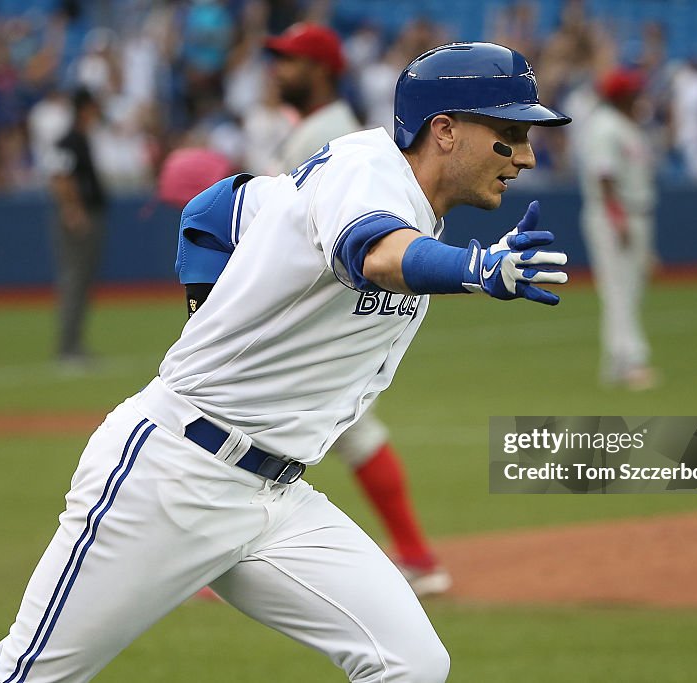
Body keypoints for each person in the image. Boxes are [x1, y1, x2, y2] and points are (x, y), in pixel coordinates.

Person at [0, 41, 569, 683]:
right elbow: (376, 252)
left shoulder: (404, 199)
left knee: (411, 663)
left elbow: (213, 209)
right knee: (25, 676)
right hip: (174, 477)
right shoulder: (369, 169)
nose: (526, 155)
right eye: (508, 133)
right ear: (444, 130)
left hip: (276, 498)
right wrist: (477, 268)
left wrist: (214, 303)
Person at [262, 21, 449, 593]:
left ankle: (419, 557)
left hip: (324, 311)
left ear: (321, 70)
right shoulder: (320, 131)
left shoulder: (333, 137)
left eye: (290, 61)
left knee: (260, 428)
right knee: (343, 431)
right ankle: (417, 555)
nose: (278, 71)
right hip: (322, 310)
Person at [576, 67, 658, 390]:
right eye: (634, 92)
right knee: (618, 290)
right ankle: (628, 361)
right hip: (614, 214)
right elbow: (604, 176)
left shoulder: (627, 126)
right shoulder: (604, 126)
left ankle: (618, 362)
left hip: (636, 212)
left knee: (630, 289)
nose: (640, 96)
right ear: (621, 96)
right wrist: (618, 218)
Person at [45, 87, 108, 366]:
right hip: (79, 219)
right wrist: (72, 209)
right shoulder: (69, 140)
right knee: (74, 281)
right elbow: (59, 177)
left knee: (81, 283)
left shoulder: (80, 139)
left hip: (88, 215)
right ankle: (68, 348)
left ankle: (74, 345)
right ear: (86, 108)